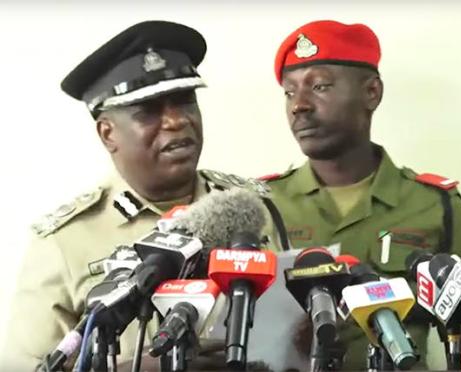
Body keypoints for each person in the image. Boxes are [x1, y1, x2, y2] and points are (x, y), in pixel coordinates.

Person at [2, 20, 271, 370]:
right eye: (149, 111)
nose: (176, 121)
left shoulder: (253, 207)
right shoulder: (63, 242)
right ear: (108, 133)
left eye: (185, 101)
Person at [264, 20, 461, 369]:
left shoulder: (435, 205)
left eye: (318, 86)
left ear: (372, 93)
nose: (299, 106)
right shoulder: (262, 205)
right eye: (290, 92)